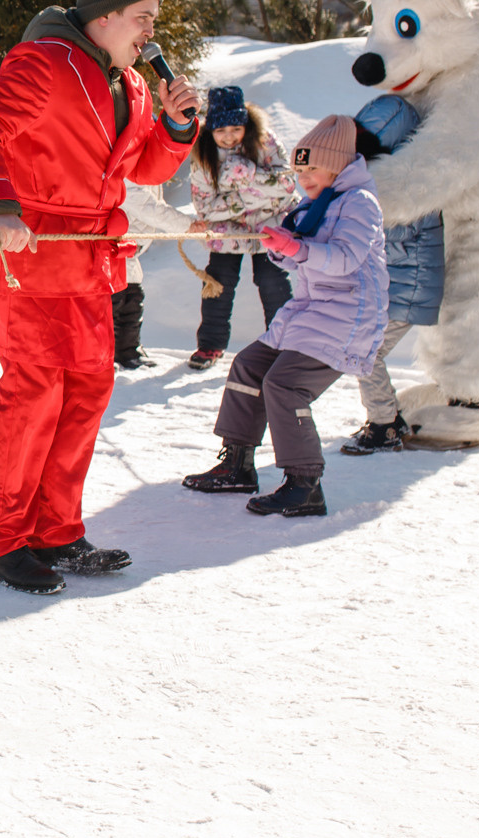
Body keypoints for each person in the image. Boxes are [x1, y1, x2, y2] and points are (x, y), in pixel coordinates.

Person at [0, 0, 199, 594]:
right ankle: (1, 542)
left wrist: (175, 126)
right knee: (32, 398)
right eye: (143, 17)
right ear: (105, 16)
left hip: (90, 267)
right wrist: (0, 208)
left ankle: (55, 531)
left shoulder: (133, 86)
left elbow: (142, 168)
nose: (151, 30)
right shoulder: (45, 62)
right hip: (29, 262)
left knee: (87, 393)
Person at [181, 116, 389, 516]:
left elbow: (345, 258)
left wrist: (297, 249)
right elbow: (303, 258)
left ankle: (304, 484)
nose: (303, 179)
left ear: (338, 166)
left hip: (348, 316)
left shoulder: (359, 203)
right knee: (248, 366)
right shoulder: (319, 202)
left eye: (312, 169)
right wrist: (282, 248)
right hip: (312, 312)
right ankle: (238, 465)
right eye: (299, 171)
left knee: (285, 384)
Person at [341, 95, 445, 454]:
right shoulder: (389, 177)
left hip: (409, 287)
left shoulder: (408, 182)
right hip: (400, 285)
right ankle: (389, 418)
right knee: (363, 351)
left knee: (366, 353)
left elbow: (398, 234)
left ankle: (384, 425)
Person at [185, 86, 299, 369]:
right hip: (228, 230)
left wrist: (248, 176)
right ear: (210, 130)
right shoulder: (204, 153)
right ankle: (210, 344)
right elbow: (206, 207)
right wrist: (255, 196)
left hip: (269, 226)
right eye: (221, 130)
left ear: (247, 125)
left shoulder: (264, 142)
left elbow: (286, 185)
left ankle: (284, 343)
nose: (229, 136)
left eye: (236, 129)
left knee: (272, 280)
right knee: (218, 282)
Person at [113, 177, 192, 371]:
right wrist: (186, 224)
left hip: (131, 246)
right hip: (115, 242)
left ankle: (128, 350)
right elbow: (144, 204)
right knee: (112, 302)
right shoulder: (127, 168)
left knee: (132, 298)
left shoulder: (147, 169)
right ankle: (105, 353)